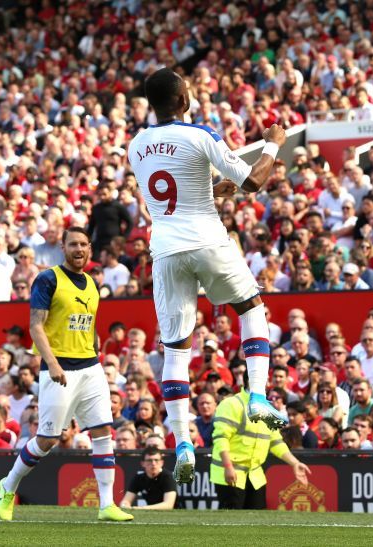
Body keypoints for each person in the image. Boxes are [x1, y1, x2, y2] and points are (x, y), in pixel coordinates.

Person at [128, 68, 288, 483]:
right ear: (183, 98)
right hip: (205, 238)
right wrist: (272, 143)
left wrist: (213, 190)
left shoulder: (136, 145)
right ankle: (256, 395)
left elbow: (171, 191)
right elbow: (253, 180)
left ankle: (182, 441)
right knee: (251, 307)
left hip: (165, 249)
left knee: (177, 349)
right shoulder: (202, 133)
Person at [0, 227, 132, 523]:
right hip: (60, 369)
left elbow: (86, 320)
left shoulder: (93, 284)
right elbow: (36, 325)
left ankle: (107, 504)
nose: (79, 249)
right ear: (63, 247)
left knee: (102, 432)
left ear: (90, 249)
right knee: (47, 439)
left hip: (90, 367)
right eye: (73, 244)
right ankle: (8, 486)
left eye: (83, 244)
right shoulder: (48, 279)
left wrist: (93, 340)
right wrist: (53, 363)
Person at [209, 372, 311, 509]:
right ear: (251, 381)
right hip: (230, 473)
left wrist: (295, 463)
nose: (267, 384)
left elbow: (276, 441)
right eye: (264, 380)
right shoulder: (231, 404)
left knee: (256, 522)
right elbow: (221, 438)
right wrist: (228, 467)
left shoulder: (268, 410)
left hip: (255, 476)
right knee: (231, 525)